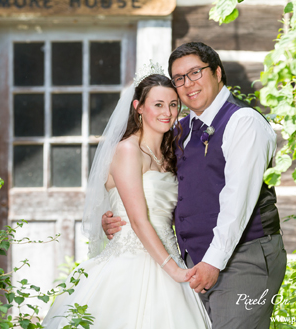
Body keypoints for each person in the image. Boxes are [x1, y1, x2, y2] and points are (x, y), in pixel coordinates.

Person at [102, 42, 287, 328]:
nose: (188, 84)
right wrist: (118, 215)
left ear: (217, 73)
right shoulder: (180, 130)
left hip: (243, 257)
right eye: (179, 78)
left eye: (195, 73)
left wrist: (213, 262)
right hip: (190, 264)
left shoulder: (244, 122)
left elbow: (238, 201)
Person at [42, 71, 211, 328]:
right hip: (133, 261)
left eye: (173, 104)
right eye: (158, 104)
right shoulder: (127, 149)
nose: (167, 112)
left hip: (169, 255)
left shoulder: (171, 154)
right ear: (138, 107)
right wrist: (174, 271)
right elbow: (137, 219)